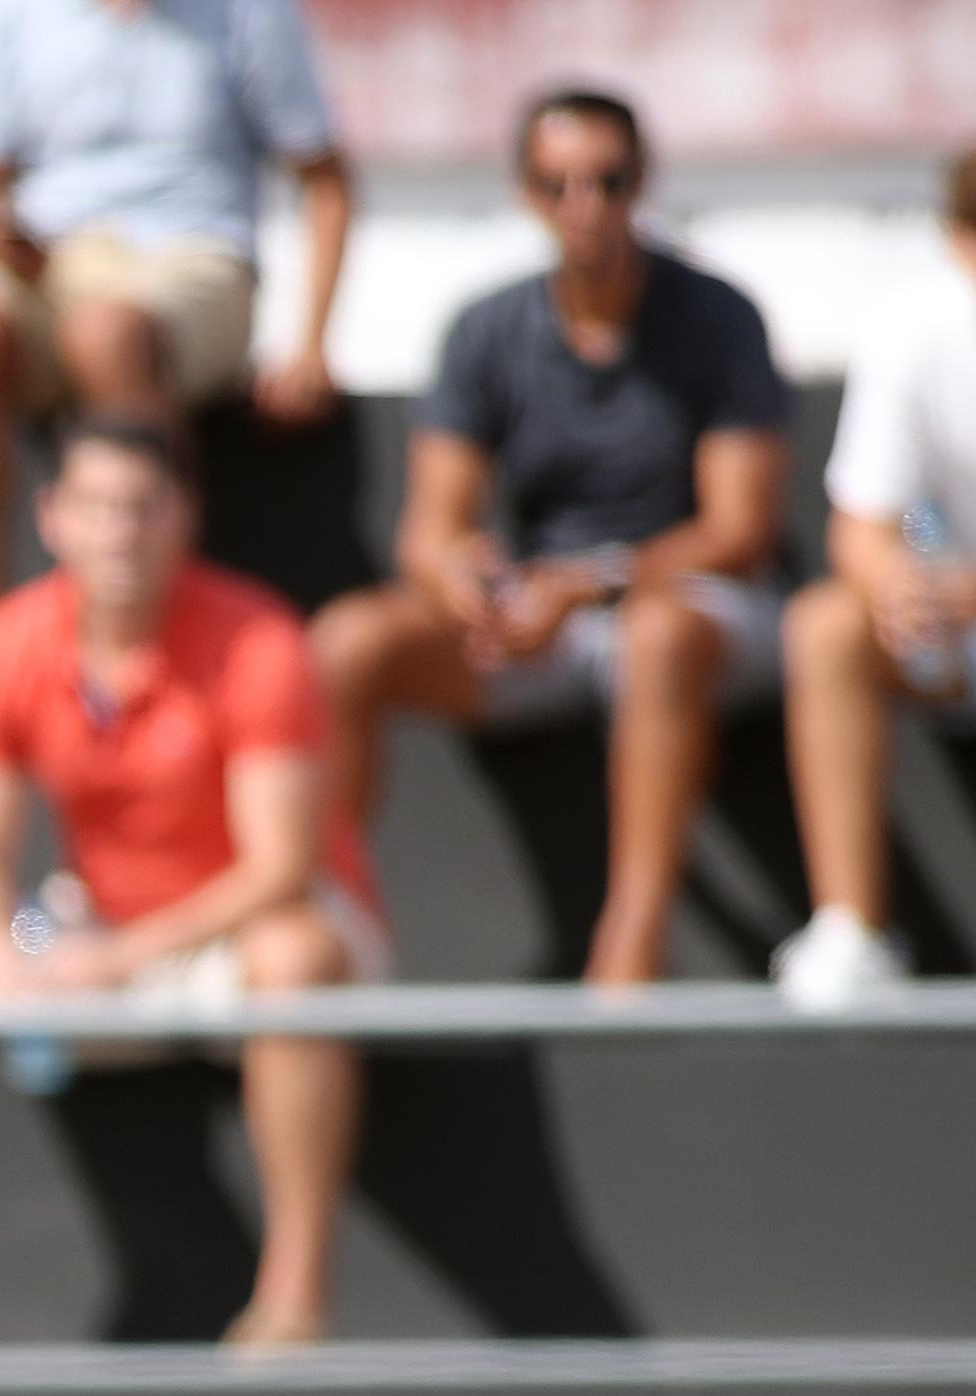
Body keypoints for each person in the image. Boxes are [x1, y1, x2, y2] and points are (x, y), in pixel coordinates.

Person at [0, 413, 380, 1354]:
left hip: (240, 931)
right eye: (97, 506)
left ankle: (292, 1301)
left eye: (142, 507)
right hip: (82, 924)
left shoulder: (258, 640)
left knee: (293, 954)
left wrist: (120, 956)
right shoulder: (5, 643)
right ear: (51, 517)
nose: (119, 530)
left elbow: (282, 866)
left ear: (183, 517)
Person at [310, 89, 788, 987]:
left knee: (658, 632)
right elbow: (430, 526)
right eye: (558, 184)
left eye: (607, 182)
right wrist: (462, 576)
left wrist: (595, 580)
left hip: (699, 614)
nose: (586, 207)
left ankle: (633, 950)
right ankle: (327, 929)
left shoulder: (719, 317)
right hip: (553, 619)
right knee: (348, 642)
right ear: (525, 193)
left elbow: (742, 532)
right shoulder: (487, 328)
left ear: (641, 183)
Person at [0, 0, 351, 741]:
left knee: (107, 333)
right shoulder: (8, 14)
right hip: (55, 262)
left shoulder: (248, 11)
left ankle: (155, 633)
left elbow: (324, 177)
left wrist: (312, 345)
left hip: (193, 258)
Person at [769, 145, 976, 1008]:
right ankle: (851, 928)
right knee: (827, 625)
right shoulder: (918, 323)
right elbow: (862, 525)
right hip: (955, 648)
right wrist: (900, 583)